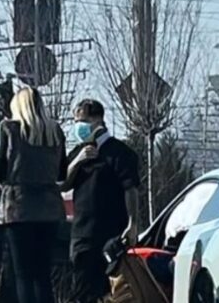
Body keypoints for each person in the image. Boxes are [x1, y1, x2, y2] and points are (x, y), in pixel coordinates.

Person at [63, 99, 140, 303]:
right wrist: (78, 161)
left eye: (82, 121)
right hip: (83, 236)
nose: (78, 127)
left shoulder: (120, 153)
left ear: (97, 121)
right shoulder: (77, 153)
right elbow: (63, 184)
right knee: (83, 293)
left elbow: (130, 189)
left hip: (112, 237)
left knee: (114, 293)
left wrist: (133, 223)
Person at [0, 87, 67, 303]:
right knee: (43, 275)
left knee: (23, 275)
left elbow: (0, 169)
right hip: (50, 209)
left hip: (19, 208)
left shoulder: (9, 129)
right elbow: (61, 174)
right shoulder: (55, 131)